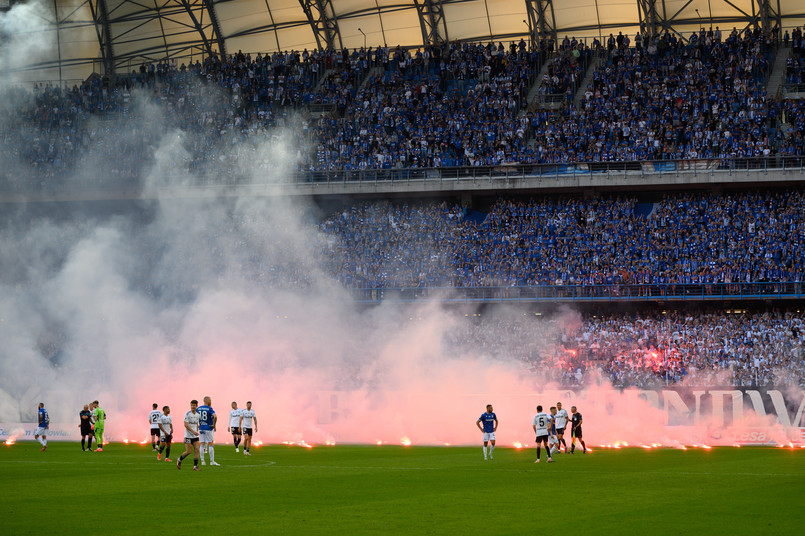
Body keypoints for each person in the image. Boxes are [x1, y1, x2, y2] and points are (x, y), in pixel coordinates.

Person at [177, 400, 201, 470]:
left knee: (197, 450)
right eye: (191, 405)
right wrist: (193, 432)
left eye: (194, 405)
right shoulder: (187, 414)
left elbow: (196, 423)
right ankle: (179, 459)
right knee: (188, 451)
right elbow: (186, 425)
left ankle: (195, 466)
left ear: (196, 406)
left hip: (195, 436)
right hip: (188, 435)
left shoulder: (198, 415)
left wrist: (196, 430)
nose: (192, 407)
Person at [197, 396, 219, 466]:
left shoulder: (198, 408)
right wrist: (214, 425)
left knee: (202, 444)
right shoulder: (209, 409)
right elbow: (215, 416)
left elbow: (196, 417)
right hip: (208, 428)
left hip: (201, 428)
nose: (211, 401)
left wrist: (199, 424)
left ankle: (203, 461)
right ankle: (212, 461)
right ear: (207, 401)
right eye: (210, 400)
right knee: (211, 444)